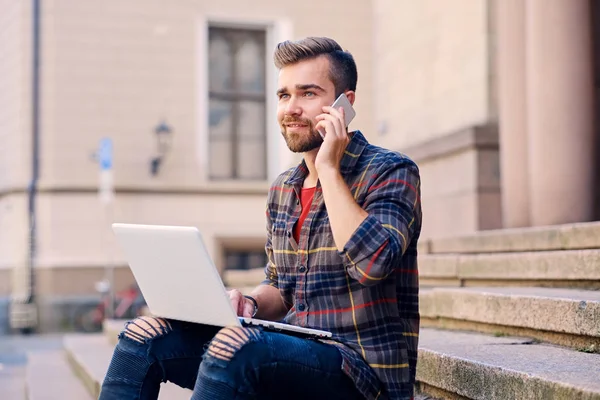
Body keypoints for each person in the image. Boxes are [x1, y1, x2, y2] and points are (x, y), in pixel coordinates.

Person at [99, 36, 422, 400]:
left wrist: (329, 170)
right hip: (291, 352)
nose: (292, 108)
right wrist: (249, 303)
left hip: (362, 372)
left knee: (235, 347)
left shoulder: (391, 171)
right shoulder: (284, 188)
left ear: (345, 105)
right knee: (142, 336)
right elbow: (281, 286)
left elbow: (372, 264)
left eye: (308, 94)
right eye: (284, 95)